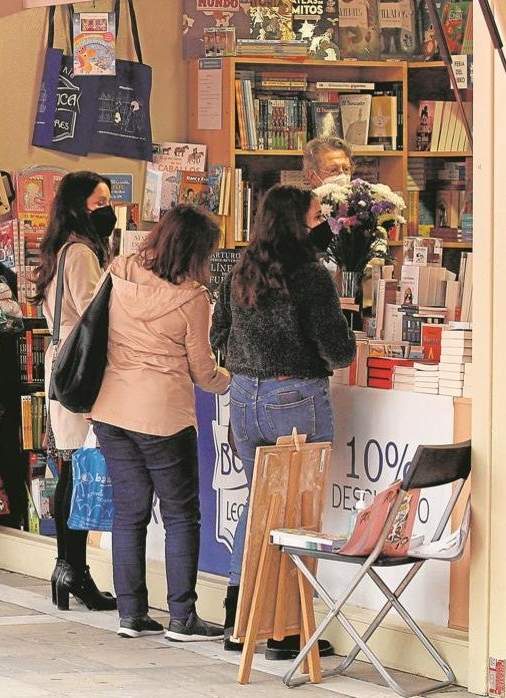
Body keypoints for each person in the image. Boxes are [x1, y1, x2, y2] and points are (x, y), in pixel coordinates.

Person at [210, 185, 355, 660]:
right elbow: (338, 349)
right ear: (297, 223)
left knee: (259, 510)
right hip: (294, 396)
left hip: (245, 398)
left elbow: (219, 333)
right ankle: (289, 630)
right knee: (298, 515)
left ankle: (242, 617)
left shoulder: (240, 269)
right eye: (316, 217)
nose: (322, 224)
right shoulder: (310, 276)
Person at [90, 205, 230, 642]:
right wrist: (232, 380)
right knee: (181, 516)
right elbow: (203, 371)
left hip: (111, 408)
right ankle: (182, 617)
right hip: (163, 416)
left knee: (129, 514)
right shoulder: (192, 297)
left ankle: (130, 614)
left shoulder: (119, 270)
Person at [29, 170, 117, 612]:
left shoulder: (60, 250)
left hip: (62, 362)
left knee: (70, 467)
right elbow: (92, 314)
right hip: (80, 367)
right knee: (77, 469)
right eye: (99, 203)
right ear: (80, 206)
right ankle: (73, 568)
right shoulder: (81, 254)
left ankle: (69, 568)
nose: (108, 210)